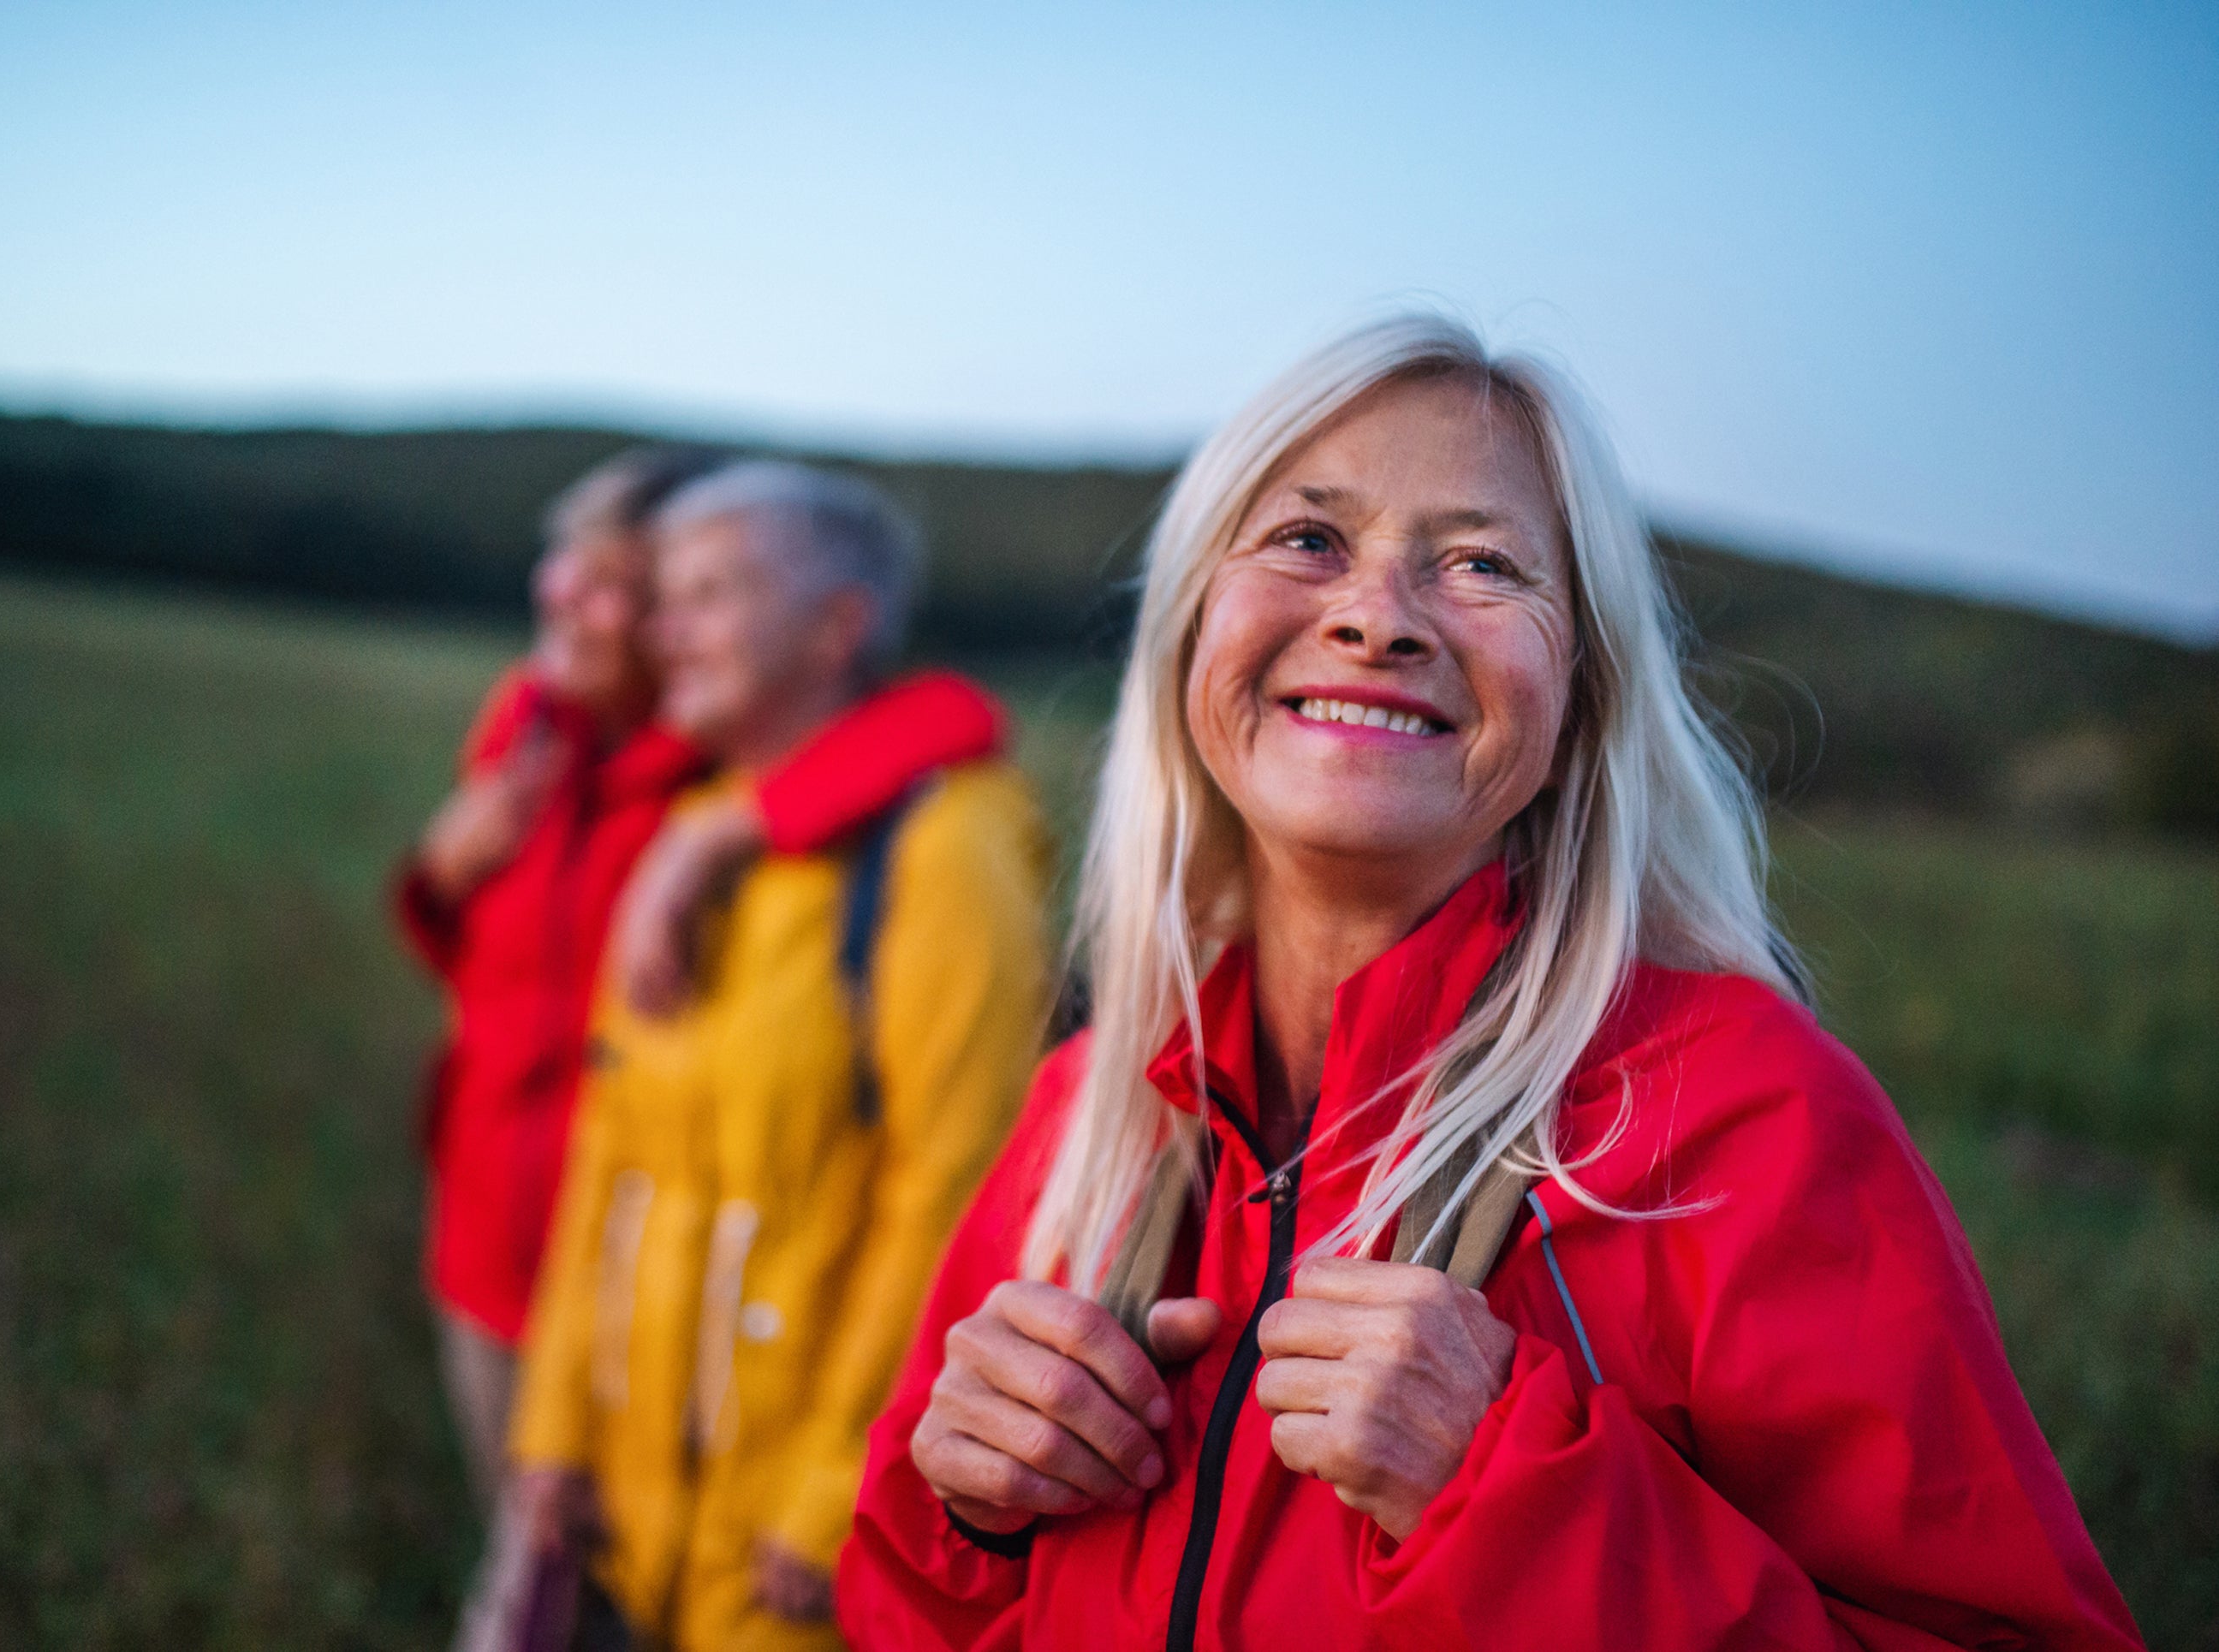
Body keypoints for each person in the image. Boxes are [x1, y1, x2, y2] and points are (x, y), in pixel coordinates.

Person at [836, 318, 2144, 1649]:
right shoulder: (1090, 1110)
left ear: (1581, 699)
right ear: (1189, 637)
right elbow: (898, 1607)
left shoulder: (1749, 1118)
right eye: (1308, 540)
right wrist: (970, 1510)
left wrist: (1516, 1499)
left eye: (1482, 564)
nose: (1373, 615)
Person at [387, 452, 1007, 1567]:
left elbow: (945, 716)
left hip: (657, 1308)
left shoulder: (726, 775)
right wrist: (441, 864)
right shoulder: (532, 728)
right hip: (489, 1245)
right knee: (529, 1573)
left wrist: (718, 830)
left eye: (622, 584)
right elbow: (483, 975)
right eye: (562, 564)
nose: (563, 597)